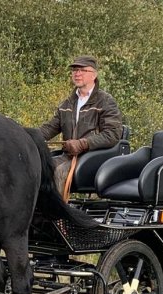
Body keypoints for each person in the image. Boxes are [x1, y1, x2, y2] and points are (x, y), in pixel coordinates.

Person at [39, 55, 124, 195]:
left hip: (93, 157)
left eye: (82, 70)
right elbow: (49, 129)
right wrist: (26, 135)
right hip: (68, 156)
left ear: (94, 75)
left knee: (59, 171)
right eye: (74, 70)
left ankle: (56, 215)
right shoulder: (66, 104)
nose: (77, 74)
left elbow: (113, 134)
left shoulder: (105, 101)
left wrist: (83, 144)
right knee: (37, 167)